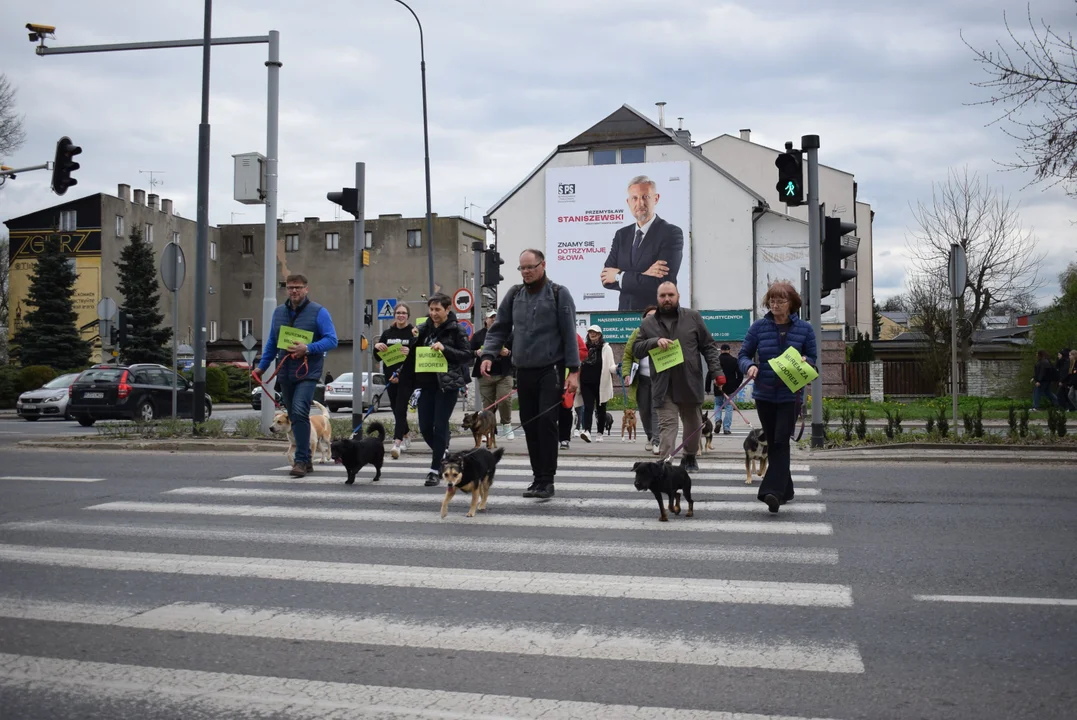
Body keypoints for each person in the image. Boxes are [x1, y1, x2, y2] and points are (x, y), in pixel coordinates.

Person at [482, 248, 580, 499]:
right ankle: (537, 478)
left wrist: (574, 371)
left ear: (542, 265)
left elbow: (570, 334)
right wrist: (488, 355)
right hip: (524, 371)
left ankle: (547, 480)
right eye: (522, 268)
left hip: (552, 370)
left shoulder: (559, 294)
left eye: (530, 267)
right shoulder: (514, 295)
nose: (526, 272)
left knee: (547, 423)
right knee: (530, 424)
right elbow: (500, 327)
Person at [738, 281, 818, 513]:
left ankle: (771, 491)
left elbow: (813, 358)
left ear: (792, 304)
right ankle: (788, 489)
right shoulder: (758, 328)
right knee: (774, 443)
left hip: (790, 396)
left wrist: (807, 361)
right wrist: (749, 366)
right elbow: (743, 354)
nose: (775, 304)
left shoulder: (805, 329)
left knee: (781, 441)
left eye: (780, 300)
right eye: (772, 300)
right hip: (764, 394)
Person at [632, 281, 724, 473]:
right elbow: (636, 349)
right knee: (668, 425)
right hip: (663, 385)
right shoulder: (648, 323)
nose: (667, 299)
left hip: (690, 381)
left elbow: (708, 346)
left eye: (670, 295)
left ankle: (689, 457)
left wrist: (717, 373)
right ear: (657, 298)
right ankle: (665, 463)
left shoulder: (693, 317)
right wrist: (654, 342)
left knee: (693, 423)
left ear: (678, 296)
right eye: (662, 296)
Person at [253, 273, 339, 478]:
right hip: (285, 372)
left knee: (300, 411)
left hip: (308, 372)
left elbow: (332, 340)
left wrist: (308, 348)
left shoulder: (319, 312)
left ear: (306, 289)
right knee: (295, 416)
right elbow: (272, 343)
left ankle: (301, 460)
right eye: (290, 287)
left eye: (298, 287)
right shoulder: (279, 312)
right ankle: (307, 460)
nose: (294, 291)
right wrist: (262, 367)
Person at [600, 175, 684, 311]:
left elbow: (662, 282)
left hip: (658, 317)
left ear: (656, 199)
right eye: (635, 198)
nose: (640, 203)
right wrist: (645, 274)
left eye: (645, 197)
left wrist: (619, 276)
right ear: (628, 202)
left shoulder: (671, 233)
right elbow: (605, 278)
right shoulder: (621, 235)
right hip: (625, 317)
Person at [414, 294, 472, 486]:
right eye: (431, 309)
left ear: (447, 309)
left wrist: (445, 349)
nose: (433, 313)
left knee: (440, 425)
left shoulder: (457, 329)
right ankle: (444, 453)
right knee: (424, 427)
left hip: (448, 384)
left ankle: (434, 469)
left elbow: (466, 355)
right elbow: (414, 350)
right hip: (426, 383)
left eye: (437, 309)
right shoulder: (424, 328)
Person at [374, 303, 418, 459]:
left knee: (400, 408)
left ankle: (397, 442)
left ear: (408, 315)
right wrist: (377, 346)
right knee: (395, 408)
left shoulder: (414, 333)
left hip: (406, 377)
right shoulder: (387, 333)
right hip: (390, 377)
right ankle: (406, 434)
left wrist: (410, 351)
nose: (401, 315)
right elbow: (378, 356)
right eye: (398, 312)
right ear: (394, 315)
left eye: (404, 313)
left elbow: (420, 355)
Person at [471, 310, 515, 439]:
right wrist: (476, 353)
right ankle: (487, 429)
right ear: (486, 320)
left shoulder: (508, 335)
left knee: (504, 399)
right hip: (485, 375)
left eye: (497, 318)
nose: (494, 320)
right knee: (488, 404)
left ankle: (506, 424)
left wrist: (508, 353)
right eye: (491, 318)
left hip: (504, 373)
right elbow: (468, 351)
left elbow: (518, 351)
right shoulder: (478, 336)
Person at [622, 306, 659, 453]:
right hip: (641, 380)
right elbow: (627, 355)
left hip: (659, 379)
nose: (651, 318)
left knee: (656, 410)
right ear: (643, 319)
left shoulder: (663, 333)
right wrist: (626, 373)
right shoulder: (636, 334)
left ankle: (657, 441)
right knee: (644, 412)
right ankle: (650, 436)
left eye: (655, 316)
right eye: (648, 316)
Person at [578, 325, 617, 443]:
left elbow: (611, 365)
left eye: (595, 332)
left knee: (601, 408)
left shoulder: (606, 348)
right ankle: (587, 431)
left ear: (600, 334)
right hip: (586, 382)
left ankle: (600, 432)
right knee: (588, 407)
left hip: (601, 383)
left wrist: (617, 369)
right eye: (590, 332)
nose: (592, 334)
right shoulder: (584, 347)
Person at [559, 332, 588, 450]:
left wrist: (568, 354)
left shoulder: (572, 334)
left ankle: (564, 439)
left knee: (565, 410)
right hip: (547, 378)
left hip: (567, 380)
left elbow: (584, 352)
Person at [717, 344, 744, 435]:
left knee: (718, 405)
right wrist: (736, 385)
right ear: (729, 350)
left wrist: (707, 387)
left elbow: (710, 374)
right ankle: (726, 428)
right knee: (729, 407)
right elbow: (740, 375)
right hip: (730, 387)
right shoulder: (734, 361)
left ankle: (717, 420)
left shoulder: (716, 361)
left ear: (721, 350)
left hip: (718, 386)